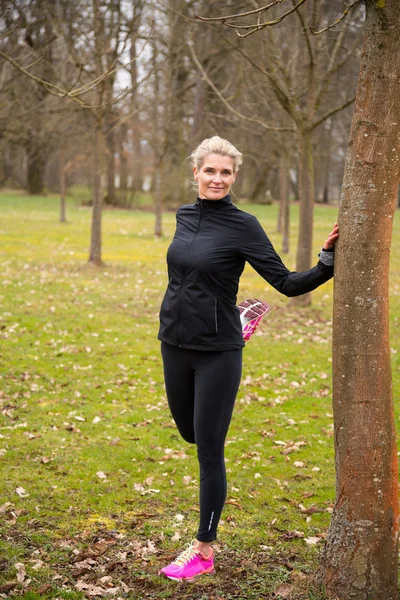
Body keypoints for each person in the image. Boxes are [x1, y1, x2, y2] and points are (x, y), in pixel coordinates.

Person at [157, 136, 339, 581]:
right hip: (173, 342)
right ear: (195, 173)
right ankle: (239, 318)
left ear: (234, 177)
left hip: (218, 351)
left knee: (209, 450)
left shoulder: (243, 225)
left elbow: (287, 283)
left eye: (226, 172)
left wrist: (327, 261)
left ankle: (203, 548)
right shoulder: (183, 216)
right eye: (210, 171)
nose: (217, 178)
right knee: (188, 433)